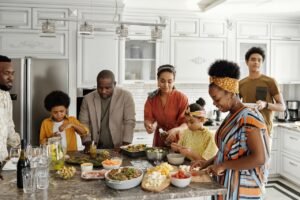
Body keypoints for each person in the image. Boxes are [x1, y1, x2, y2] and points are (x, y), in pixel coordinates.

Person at [192, 60, 271, 200]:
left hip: (242, 190)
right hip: (226, 185)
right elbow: (227, 152)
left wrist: (223, 165)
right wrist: (207, 163)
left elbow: (260, 158)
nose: (215, 104)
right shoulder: (231, 115)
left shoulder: (249, 117)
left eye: (216, 99)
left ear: (230, 93)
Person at [79, 70, 136, 149]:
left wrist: (125, 145)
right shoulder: (87, 99)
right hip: (95, 147)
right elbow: (83, 123)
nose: (103, 91)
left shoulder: (126, 96)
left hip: (119, 146)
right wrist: (87, 142)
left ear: (114, 84)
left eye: (107, 88)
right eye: (100, 87)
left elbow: (129, 122)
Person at [239, 47, 285, 135]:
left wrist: (266, 104)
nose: (256, 62)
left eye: (259, 60)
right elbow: (236, 105)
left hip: (264, 129)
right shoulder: (241, 83)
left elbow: (282, 107)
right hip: (246, 129)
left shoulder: (270, 81)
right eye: (253, 59)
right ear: (246, 62)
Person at [144, 64, 189, 147]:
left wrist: (176, 130)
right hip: (159, 139)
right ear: (157, 81)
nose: (166, 85)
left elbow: (186, 123)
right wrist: (149, 126)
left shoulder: (182, 98)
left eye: (169, 81)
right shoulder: (151, 99)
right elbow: (148, 119)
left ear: (174, 81)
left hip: (178, 140)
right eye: (162, 81)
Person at [0, 55, 20, 162]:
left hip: (3, 159)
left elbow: (9, 125)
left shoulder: (6, 95)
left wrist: (19, 149)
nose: (11, 77)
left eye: (12, 73)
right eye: (6, 73)